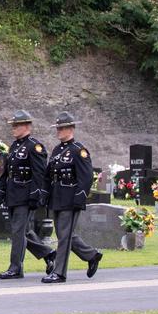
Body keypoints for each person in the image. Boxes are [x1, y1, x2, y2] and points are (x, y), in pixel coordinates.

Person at [41, 111, 103, 284]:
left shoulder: (79, 151)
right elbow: (49, 175)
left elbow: (86, 177)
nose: (58, 131)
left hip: (70, 198)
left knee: (64, 235)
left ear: (71, 128)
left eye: (62, 128)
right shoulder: (57, 150)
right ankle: (91, 255)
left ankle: (59, 272)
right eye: (58, 128)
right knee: (63, 234)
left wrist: (79, 197)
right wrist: (45, 194)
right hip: (57, 197)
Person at [0, 110, 56, 279]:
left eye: (17, 125)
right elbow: (7, 171)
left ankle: (15, 267)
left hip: (25, 194)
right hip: (13, 193)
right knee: (24, 231)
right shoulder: (15, 146)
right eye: (13, 125)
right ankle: (49, 254)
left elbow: (39, 174)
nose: (13, 128)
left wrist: (35, 194)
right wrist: (1, 188)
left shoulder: (34, 146)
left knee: (18, 231)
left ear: (27, 126)